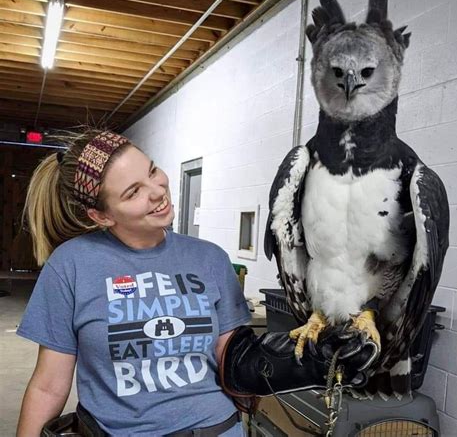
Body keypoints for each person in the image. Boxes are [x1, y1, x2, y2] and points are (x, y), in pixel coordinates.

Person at [16, 129, 378, 437]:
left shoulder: (209, 259)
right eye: (133, 192)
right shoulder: (72, 266)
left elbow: (232, 359)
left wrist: (311, 358)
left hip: (215, 429)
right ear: (102, 215)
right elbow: (48, 386)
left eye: (153, 171)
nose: (157, 191)